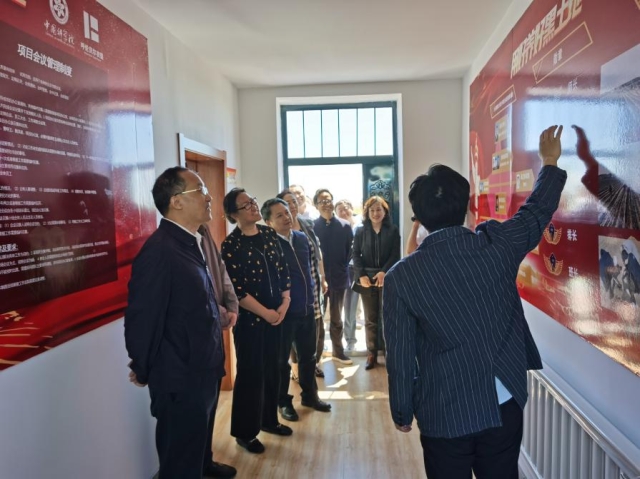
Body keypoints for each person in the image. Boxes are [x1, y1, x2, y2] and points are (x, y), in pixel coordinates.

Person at [383, 126, 566, 479]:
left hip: (444, 412)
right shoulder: (496, 244)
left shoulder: (401, 277)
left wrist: (402, 410)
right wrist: (550, 162)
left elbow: (401, 355)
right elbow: (535, 214)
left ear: (419, 218)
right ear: (468, 206)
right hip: (503, 400)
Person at [124, 167, 237, 478]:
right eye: (200, 190)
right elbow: (142, 319)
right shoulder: (160, 251)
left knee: (198, 441)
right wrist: (142, 366)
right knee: (180, 459)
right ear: (176, 201)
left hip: (203, 366)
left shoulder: (190, 241)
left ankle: (205, 466)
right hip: (180, 376)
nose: (209, 197)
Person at [221, 188, 292, 454]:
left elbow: (283, 270)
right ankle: (245, 433)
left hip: (277, 314)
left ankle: (269, 420)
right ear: (233, 215)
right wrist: (266, 313)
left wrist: (285, 303)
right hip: (251, 321)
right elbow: (237, 291)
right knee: (251, 374)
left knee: (274, 369)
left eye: (252, 201)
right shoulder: (231, 245)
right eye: (245, 205)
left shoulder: (269, 234)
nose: (252, 206)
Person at [262, 198, 332, 422]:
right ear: (268, 222)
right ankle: (283, 402)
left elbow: (312, 271)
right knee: (281, 361)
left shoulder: (302, 238)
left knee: (308, 357)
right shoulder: (267, 244)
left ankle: (310, 396)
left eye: (287, 212)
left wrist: (314, 301)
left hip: (307, 309)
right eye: (279, 215)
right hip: (284, 314)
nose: (286, 217)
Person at [278, 189, 327, 378]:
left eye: (294, 201)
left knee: (316, 325)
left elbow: (317, 252)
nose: (292, 205)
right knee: (294, 328)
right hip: (292, 289)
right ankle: (297, 367)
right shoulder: (278, 229)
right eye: (287, 202)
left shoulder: (307, 224)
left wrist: (322, 277)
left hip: (313, 282)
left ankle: (311, 364)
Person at [352, 196, 400, 370]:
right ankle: (371, 352)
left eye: (379, 209)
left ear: (385, 211)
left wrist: (384, 272)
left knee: (387, 317)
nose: (375, 213)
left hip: (387, 277)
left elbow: (396, 254)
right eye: (371, 210)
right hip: (367, 279)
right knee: (370, 319)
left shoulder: (393, 230)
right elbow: (355, 254)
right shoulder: (360, 231)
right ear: (367, 213)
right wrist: (361, 275)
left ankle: (388, 353)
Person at [313, 188, 354, 365]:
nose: (326, 204)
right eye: (322, 201)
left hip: (339, 277)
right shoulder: (312, 226)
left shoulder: (345, 226)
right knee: (318, 320)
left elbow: (349, 251)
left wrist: (341, 267)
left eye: (329, 200)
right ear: (316, 205)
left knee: (337, 318)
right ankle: (317, 355)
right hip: (318, 280)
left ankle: (338, 351)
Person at [335, 199, 362, 351]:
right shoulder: (337, 228)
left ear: (352, 209)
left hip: (360, 270)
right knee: (347, 306)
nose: (343, 212)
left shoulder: (361, 226)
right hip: (344, 271)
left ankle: (374, 343)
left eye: (346, 208)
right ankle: (349, 339)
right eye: (340, 209)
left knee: (357, 306)